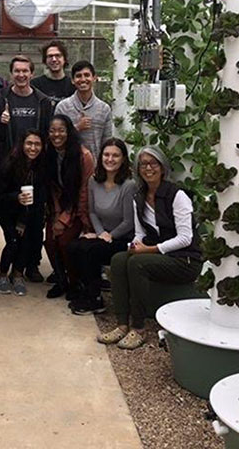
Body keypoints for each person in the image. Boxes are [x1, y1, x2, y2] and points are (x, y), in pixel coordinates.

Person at [97, 146, 201, 350]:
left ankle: (139, 328)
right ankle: (121, 324)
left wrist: (148, 250)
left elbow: (185, 238)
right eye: (143, 164)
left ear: (163, 167)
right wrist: (134, 246)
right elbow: (139, 234)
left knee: (138, 263)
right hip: (159, 255)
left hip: (185, 260)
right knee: (119, 259)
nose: (148, 168)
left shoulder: (177, 195)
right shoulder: (139, 196)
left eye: (153, 163)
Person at [0, 55, 54, 282]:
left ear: (32, 73)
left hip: (34, 167)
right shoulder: (0, 100)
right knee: (12, 218)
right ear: (11, 74)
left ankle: (31, 265)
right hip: (9, 168)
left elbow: (47, 133)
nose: (21, 75)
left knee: (34, 218)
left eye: (25, 71)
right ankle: (10, 265)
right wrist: (0, 123)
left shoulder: (42, 101)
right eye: (17, 71)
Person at [67, 138, 136, 315]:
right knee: (75, 246)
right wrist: (99, 233)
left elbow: (129, 222)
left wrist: (109, 235)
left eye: (115, 155)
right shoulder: (93, 181)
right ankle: (82, 289)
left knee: (91, 251)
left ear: (123, 159)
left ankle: (95, 299)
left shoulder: (129, 186)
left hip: (123, 238)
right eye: (106, 154)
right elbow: (92, 213)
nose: (110, 159)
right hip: (103, 235)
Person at [44, 114, 94, 299]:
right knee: (50, 241)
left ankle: (74, 282)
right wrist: (56, 214)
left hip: (78, 211)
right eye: (52, 131)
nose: (57, 134)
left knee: (65, 242)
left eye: (61, 130)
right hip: (57, 207)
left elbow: (83, 192)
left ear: (69, 132)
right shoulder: (49, 153)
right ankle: (60, 280)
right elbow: (53, 188)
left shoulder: (84, 156)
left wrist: (65, 219)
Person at [0, 130, 46, 297]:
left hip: (29, 211)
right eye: (29, 143)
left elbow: (41, 194)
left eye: (37, 144)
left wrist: (25, 219)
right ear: (22, 144)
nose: (33, 148)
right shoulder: (10, 164)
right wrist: (16, 197)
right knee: (14, 240)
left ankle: (17, 274)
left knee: (26, 241)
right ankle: (2, 275)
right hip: (7, 210)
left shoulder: (41, 166)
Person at [54, 60, 113, 162]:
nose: (83, 79)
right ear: (72, 80)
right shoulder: (62, 107)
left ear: (94, 78)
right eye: (78, 76)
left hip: (95, 168)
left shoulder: (104, 109)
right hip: (67, 165)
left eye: (87, 75)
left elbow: (106, 142)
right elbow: (56, 139)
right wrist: (77, 127)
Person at [32, 41, 76, 105]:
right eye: (50, 56)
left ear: (64, 59)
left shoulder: (73, 85)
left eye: (58, 55)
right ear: (45, 60)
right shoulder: (35, 85)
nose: (54, 59)